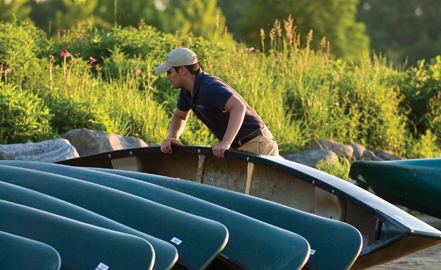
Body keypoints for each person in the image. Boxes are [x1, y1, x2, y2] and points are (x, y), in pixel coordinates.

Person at [155, 47, 279, 158]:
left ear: (183, 70)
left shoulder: (209, 87)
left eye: (169, 72)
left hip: (257, 143)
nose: (167, 76)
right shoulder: (186, 91)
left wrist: (225, 142)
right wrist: (173, 138)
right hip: (235, 147)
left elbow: (238, 107)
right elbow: (180, 116)